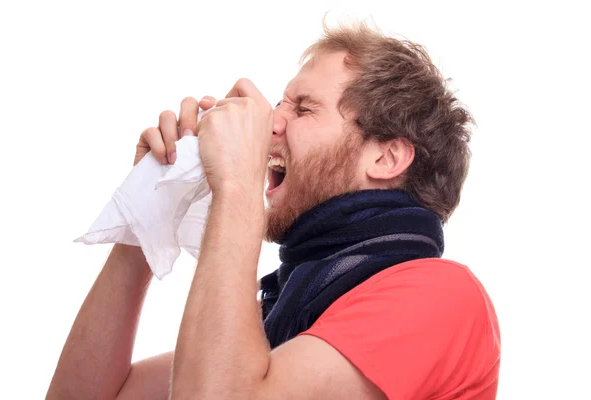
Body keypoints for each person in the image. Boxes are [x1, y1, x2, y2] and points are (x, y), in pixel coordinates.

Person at [47, 21, 500, 400]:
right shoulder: (279, 325)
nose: (270, 123)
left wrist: (239, 184)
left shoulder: (441, 294)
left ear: (385, 158)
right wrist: (150, 211)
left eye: (303, 109)